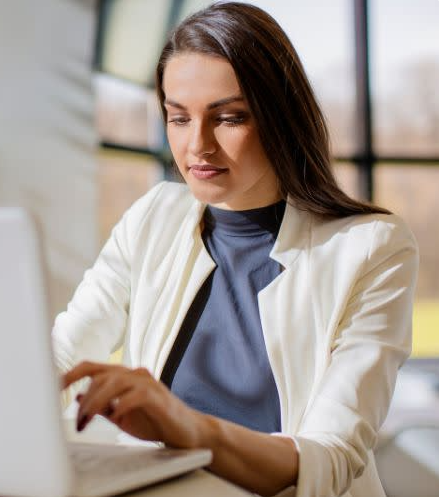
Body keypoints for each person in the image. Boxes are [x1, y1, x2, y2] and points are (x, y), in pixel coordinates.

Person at [52, 3, 418, 497]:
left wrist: (188, 427)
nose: (197, 145)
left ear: (279, 118)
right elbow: (63, 354)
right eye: (178, 118)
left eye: (228, 118)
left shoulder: (372, 247)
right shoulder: (153, 215)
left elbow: (330, 457)